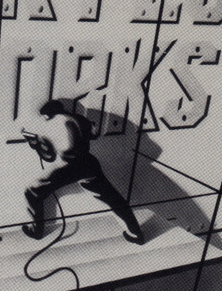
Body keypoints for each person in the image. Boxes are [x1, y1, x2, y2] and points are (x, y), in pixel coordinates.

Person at [21, 100, 145, 245]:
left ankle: (36, 231)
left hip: (69, 167)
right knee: (113, 199)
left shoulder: (54, 124)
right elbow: (95, 134)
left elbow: (51, 156)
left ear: (48, 115)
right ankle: (136, 234)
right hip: (89, 163)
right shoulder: (79, 118)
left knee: (32, 192)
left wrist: (35, 143)